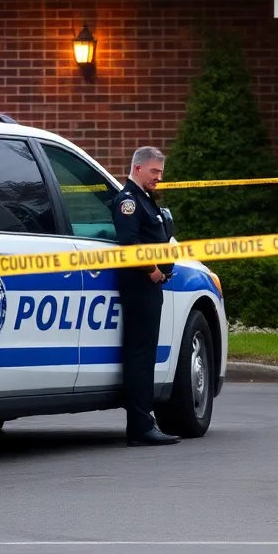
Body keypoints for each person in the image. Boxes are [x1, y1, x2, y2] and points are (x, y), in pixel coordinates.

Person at [112, 146, 180, 447]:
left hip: (151, 286)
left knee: (146, 353)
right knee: (140, 355)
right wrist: (153, 270)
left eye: (161, 172)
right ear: (138, 169)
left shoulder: (147, 200)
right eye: (154, 171)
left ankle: (144, 422)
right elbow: (129, 243)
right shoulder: (128, 201)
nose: (158, 178)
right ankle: (140, 426)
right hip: (140, 285)